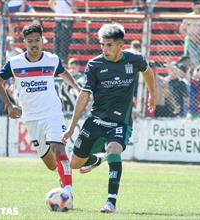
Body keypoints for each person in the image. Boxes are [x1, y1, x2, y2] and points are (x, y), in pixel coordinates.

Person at [61, 23, 156, 213]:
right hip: (95, 121)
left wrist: (152, 94)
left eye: (109, 45)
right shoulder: (94, 65)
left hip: (120, 123)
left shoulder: (134, 60)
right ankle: (95, 159)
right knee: (74, 164)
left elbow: (147, 71)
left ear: (121, 45)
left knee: (114, 149)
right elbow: (84, 96)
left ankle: (111, 202)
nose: (105, 49)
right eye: (102, 45)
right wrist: (71, 127)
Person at [0, 23, 81, 199]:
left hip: (52, 113)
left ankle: (69, 191)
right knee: (50, 165)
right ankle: (62, 177)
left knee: (59, 148)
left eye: (37, 40)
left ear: (43, 40)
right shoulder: (15, 63)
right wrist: (9, 105)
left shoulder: (52, 59)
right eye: (30, 41)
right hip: (31, 117)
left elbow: (64, 73)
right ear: (24, 42)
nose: (34, 44)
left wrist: (76, 87)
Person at [49, 0, 77, 64]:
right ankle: (63, 59)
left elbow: (50, 3)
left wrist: (57, 10)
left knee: (57, 39)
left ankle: (56, 58)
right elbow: (73, 7)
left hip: (59, 18)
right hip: (67, 18)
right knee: (65, 41)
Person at [179, 1, 200, 67]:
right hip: (190, 40)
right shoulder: (188, 16)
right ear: (193, 7)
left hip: (199, 40)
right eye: (198, 8)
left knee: (198, 58)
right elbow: (181, 30)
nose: (199, 10)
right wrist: (189, 35)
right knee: (189, 59)